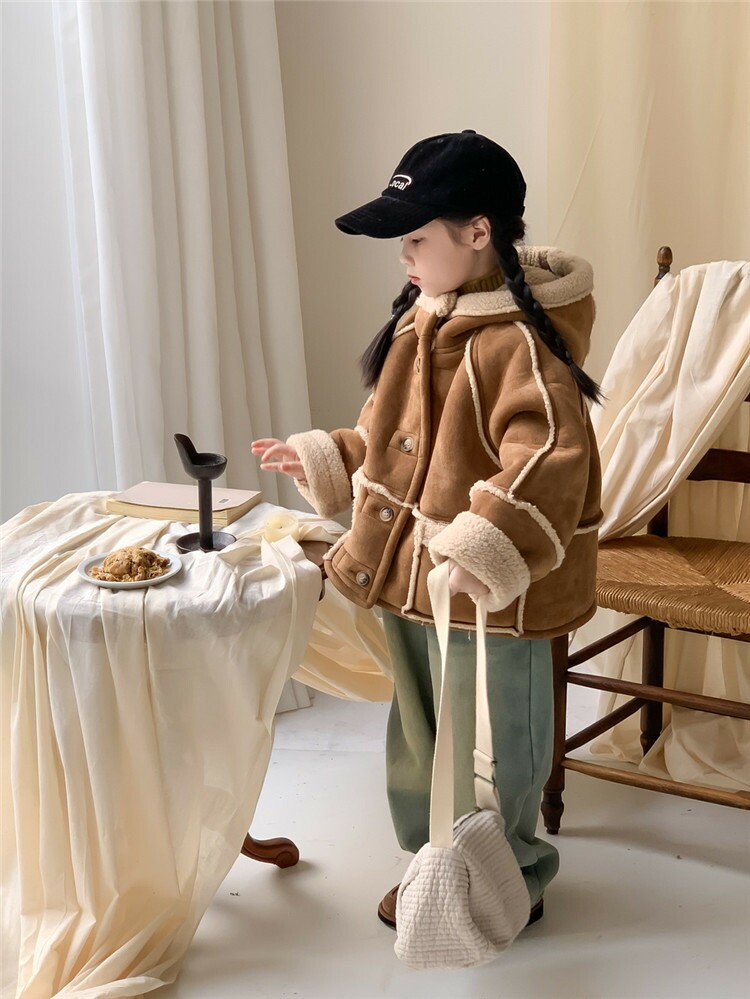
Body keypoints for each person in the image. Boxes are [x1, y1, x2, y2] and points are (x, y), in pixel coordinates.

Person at [251, 129, 605, 933]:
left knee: (495, 737)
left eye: (416, 238)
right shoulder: (422, 322)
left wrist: (486, 544)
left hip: (492, 591)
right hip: (413, 573)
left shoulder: (519, 345)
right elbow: (391, 438)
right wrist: (328, 455)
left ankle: (513, 873)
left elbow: (550, 456)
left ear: (478, 231)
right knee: (420, 731)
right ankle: (434, 856)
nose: (404, 256)